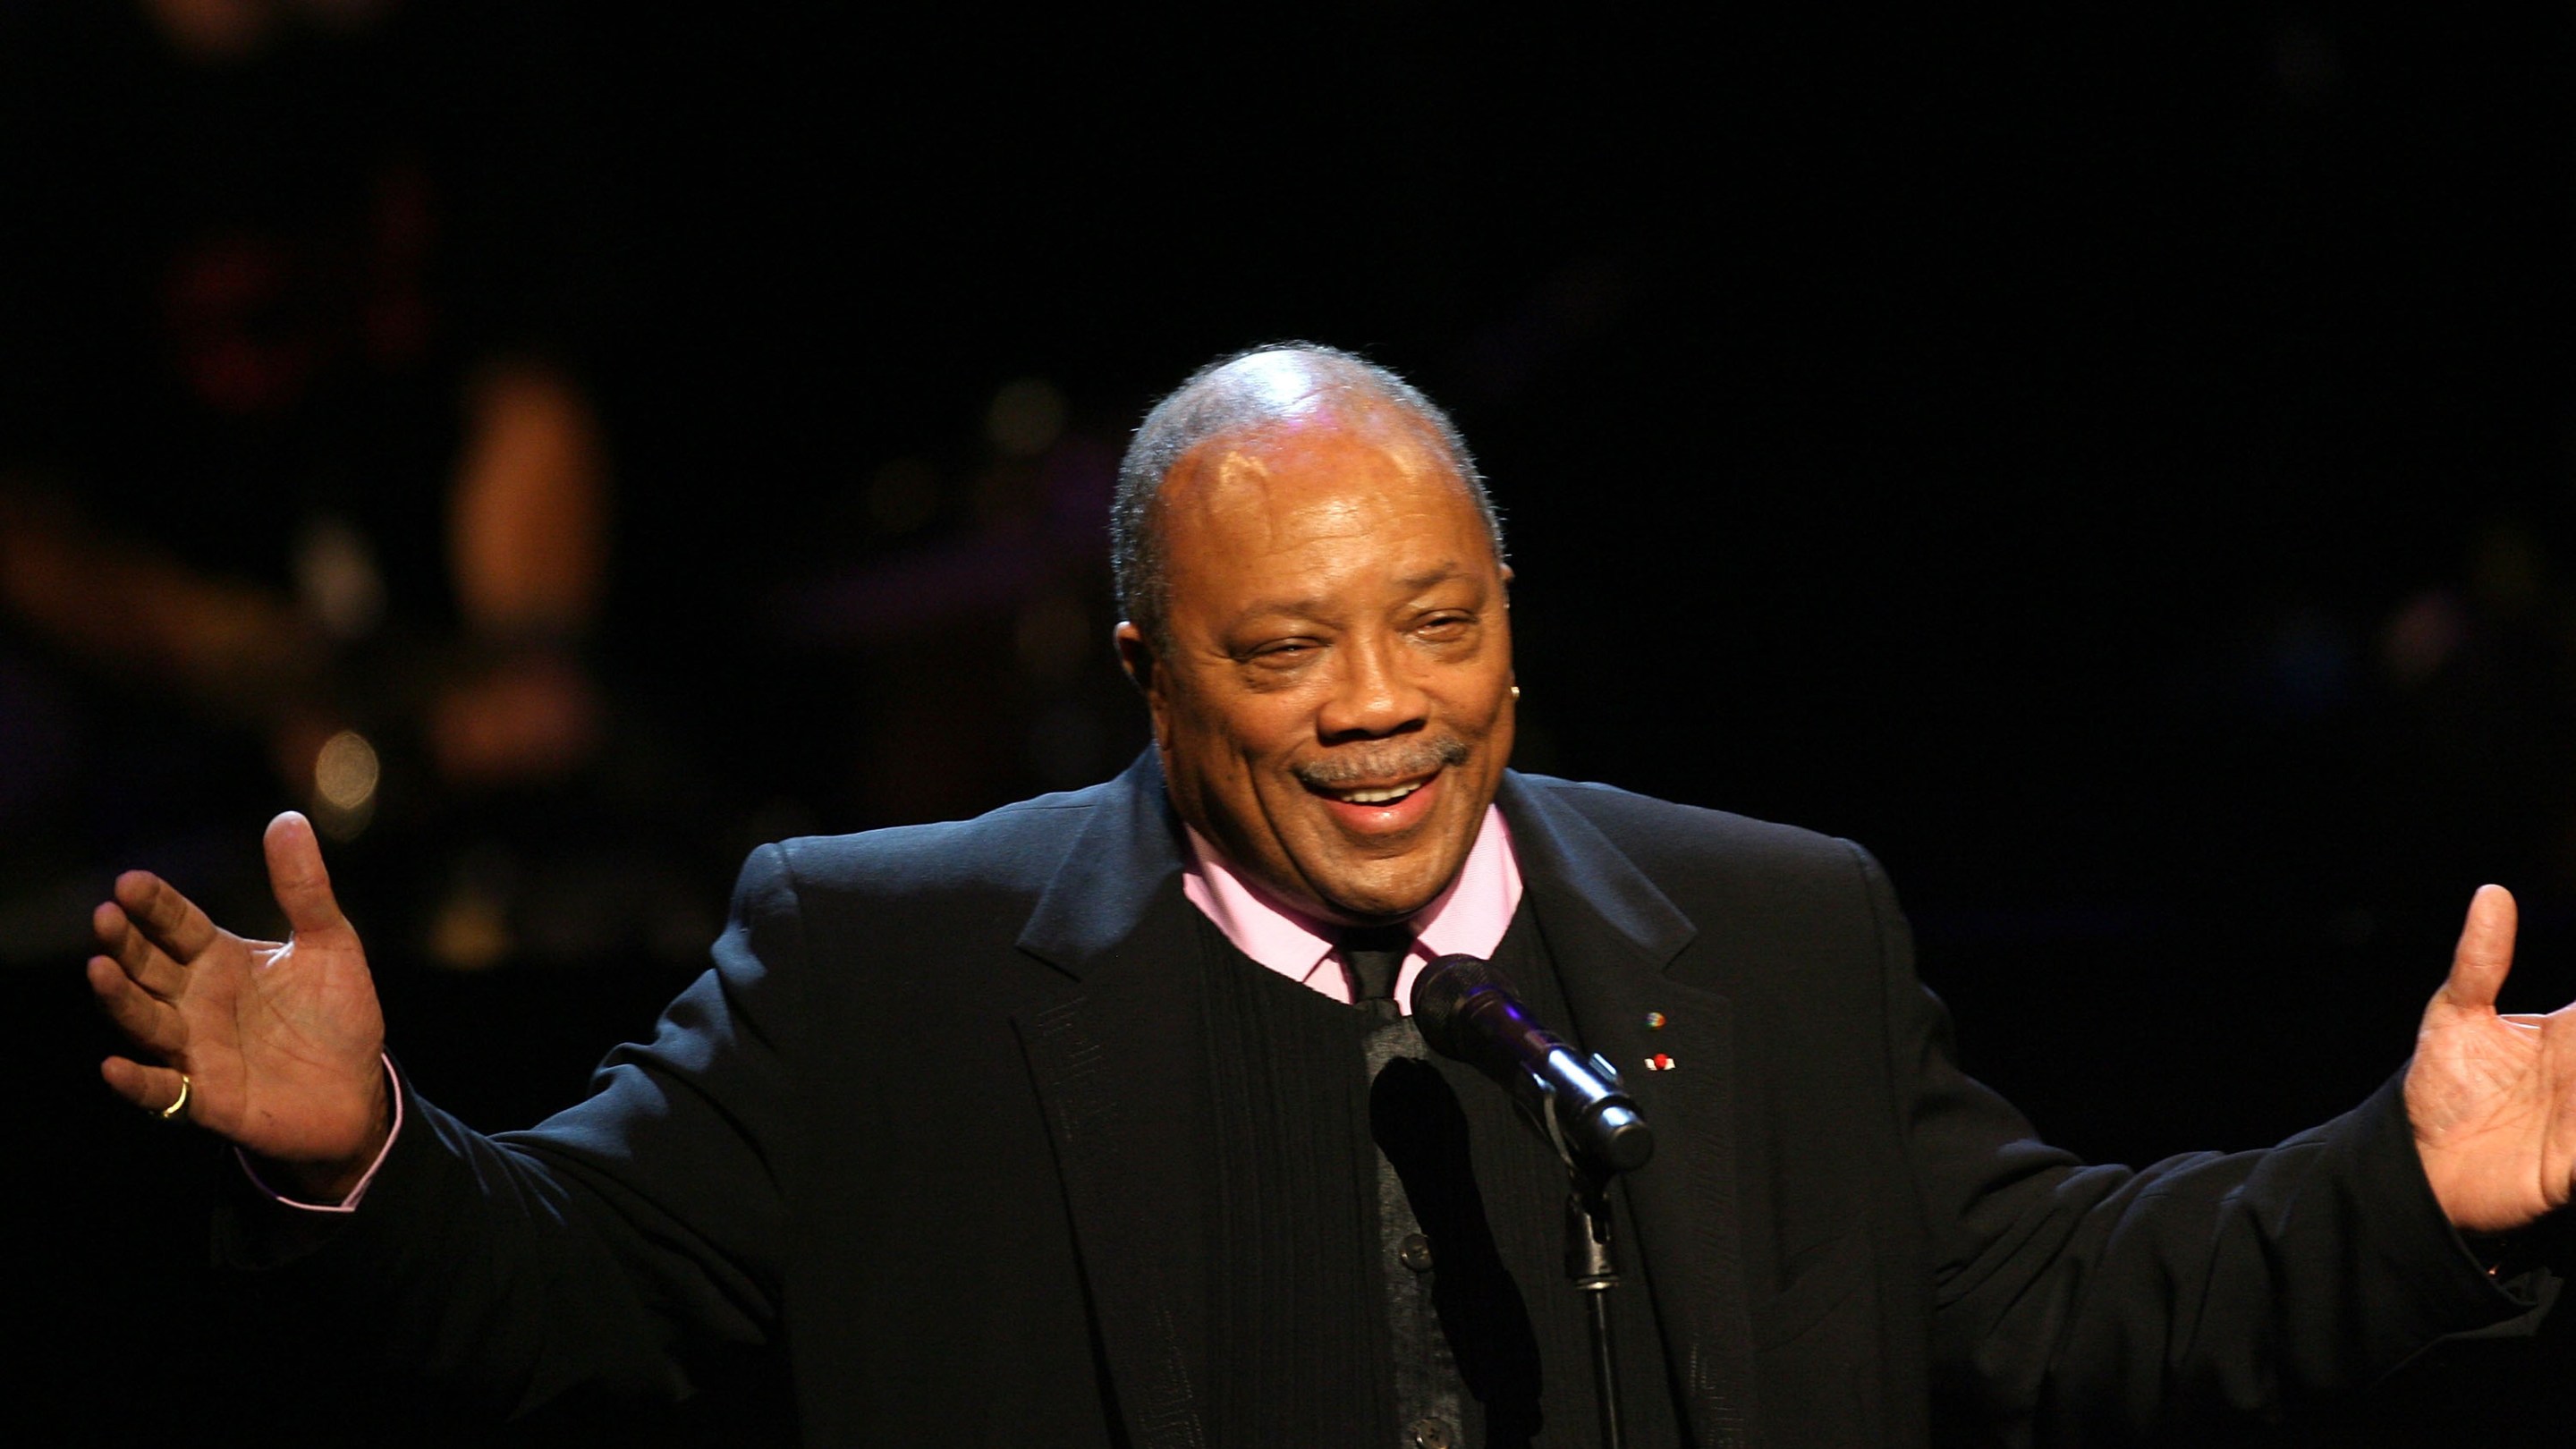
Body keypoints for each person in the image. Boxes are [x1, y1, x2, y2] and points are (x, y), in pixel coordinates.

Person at [86, 344, 2576, 1446]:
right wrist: (360, 1150)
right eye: (1287, 647)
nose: (1381, 699)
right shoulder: (895, 961)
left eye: (1441, 619)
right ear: (1156, 676)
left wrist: (2413, 1186)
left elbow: (2054, 1298)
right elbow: (573, 1294)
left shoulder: (1778, 925)